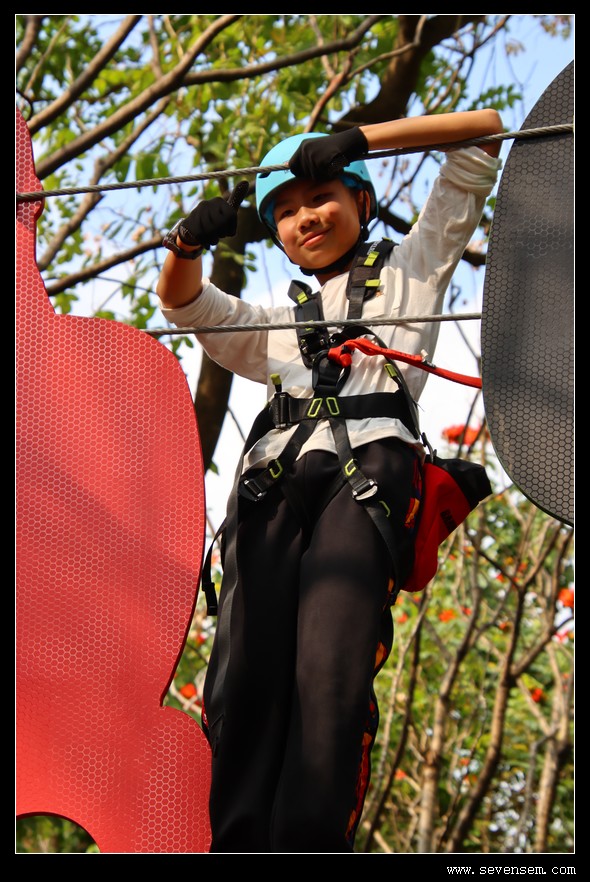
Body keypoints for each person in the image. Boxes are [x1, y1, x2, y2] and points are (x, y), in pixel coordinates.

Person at [156, 110, 503, 853]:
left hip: (366, 481)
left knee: (329, 674)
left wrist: (362, 140)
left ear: (362, 201)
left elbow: (483, 135)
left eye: (322, 197)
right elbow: (183, 304)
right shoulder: (277, 325)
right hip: (271, 493)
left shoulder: (413, 268)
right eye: (285, 211)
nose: (305, 218)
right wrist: (185, 246)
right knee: (244, 683)